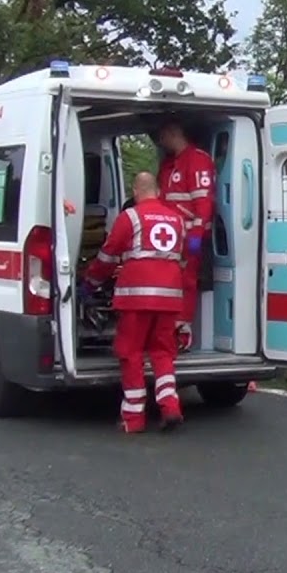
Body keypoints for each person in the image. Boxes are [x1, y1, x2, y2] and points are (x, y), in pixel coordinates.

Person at [80, 171, 187, 433]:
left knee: (131, 353)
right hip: (169, 298)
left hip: (136, 297)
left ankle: (133, 418)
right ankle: (171, 407)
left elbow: (108, 255)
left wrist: (90, 283)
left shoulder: (130, 217)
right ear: (158, 191)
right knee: (163, 352)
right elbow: (183, 256)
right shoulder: (177, 220)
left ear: (135, 192)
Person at [155, 119, 216, 352]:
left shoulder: (197, 160)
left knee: (186, 283)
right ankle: (165, 331)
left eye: (162, 135)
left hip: (189, 235)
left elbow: (203, 202)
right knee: (168, 283)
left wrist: (196, 236)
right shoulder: (170, 165)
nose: (160, 141)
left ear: (173, 131)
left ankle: (181, 333)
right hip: (169, 235)